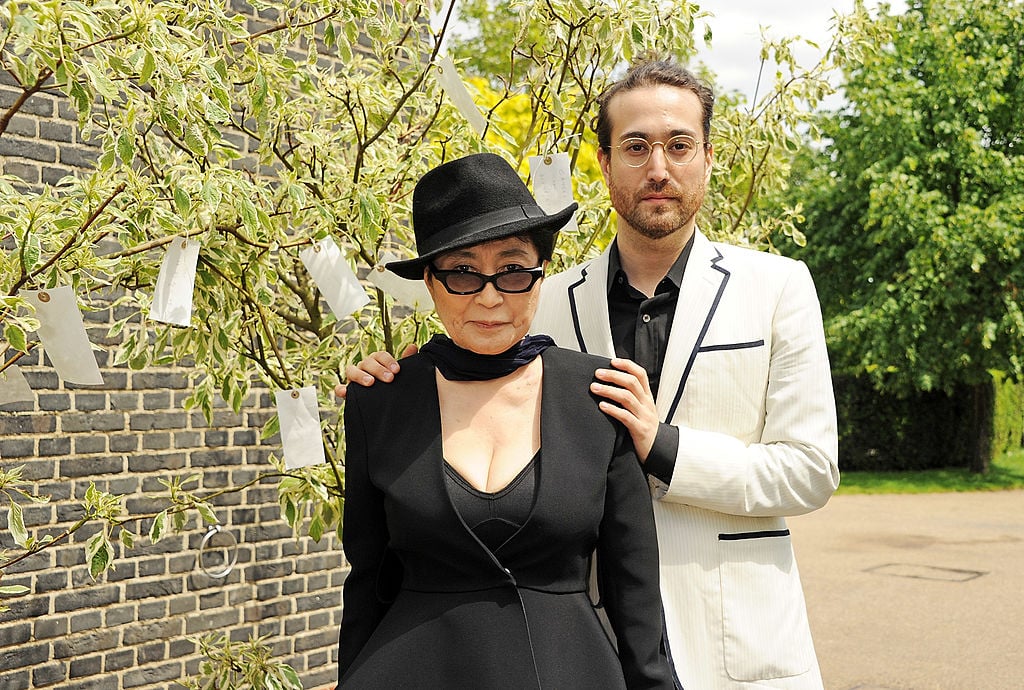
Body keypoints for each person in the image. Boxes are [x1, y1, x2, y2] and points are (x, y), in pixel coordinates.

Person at [339, 59, 840, 689]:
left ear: (709, 156)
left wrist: (663, 448)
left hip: (733, 636)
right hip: (576, 640)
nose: (658, 167)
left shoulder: (778, 288)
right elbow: (475, 347)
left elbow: (812, 470)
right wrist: (393, 380)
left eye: (679, 145)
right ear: (604, 163)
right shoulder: (542, 300)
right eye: (635, 146)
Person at [336, 152, 676, 689]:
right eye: (463, 273)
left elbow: (634, 589)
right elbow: (368, 580)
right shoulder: (380, 401)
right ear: (430, 282)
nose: (490, 296)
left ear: (541, 276)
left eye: (513, 270)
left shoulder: (598, 395)